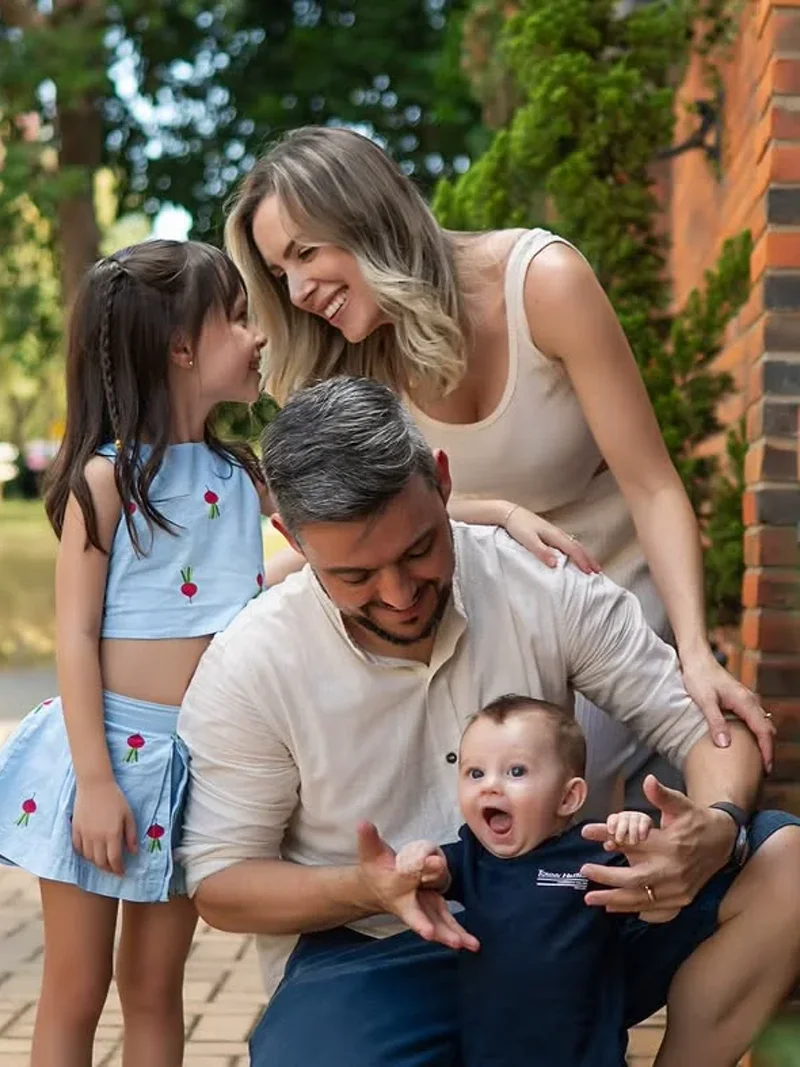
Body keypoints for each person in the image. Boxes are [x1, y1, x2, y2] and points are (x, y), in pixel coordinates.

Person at [177, 377, 800, 1067]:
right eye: (356, 575)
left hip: (573, 918)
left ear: (442, 482)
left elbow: (708, 727)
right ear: (291, 538)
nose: (399, 593)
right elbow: (221, 884)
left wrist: (712, 827)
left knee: (786, 864)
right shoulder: (251, 662)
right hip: (374, 952)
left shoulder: (543, 583)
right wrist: (364, 886)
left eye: (418, 550)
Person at [223, 124, 773, 816]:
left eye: (306, 252)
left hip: (604, 600)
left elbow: (653, 483)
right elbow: (357, 528)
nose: (299, 289)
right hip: (464, 606)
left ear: (369, 217)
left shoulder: (543, 284)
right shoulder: (347, 355)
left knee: (535, 791)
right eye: (280, 273)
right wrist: (498, 513)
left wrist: (695, 651)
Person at [0, 240, 267, 1067]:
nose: (259, 335)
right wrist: (96, 782)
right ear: (182, 346)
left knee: (156, 987)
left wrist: (495, 514)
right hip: (104, 757)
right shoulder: (105, 483)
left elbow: (349, 527)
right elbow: (75, 639)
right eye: (239, 316)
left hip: (196, 768)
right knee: (76, 991)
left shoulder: (242, 476)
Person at [395, 694, 668, 1067]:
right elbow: (437, 867)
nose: (490, 786)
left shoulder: (595, 856)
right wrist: (418, 856)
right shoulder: (473, 857)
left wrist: (636, 838)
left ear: (569, 797)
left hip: (584, 1055)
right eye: (475, 773)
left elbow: (657, 901)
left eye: (516, 772)